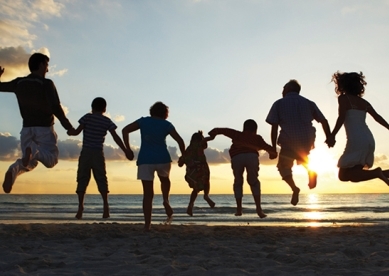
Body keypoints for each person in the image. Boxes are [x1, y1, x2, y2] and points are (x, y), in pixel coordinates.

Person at [0, 53, 75, 193]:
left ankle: (12, 170)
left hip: (27, 129)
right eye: (46, 65)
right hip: (44, 129)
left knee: (28, 162)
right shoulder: (46, 84)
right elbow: (55, 107)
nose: (47, 69)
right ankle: (33, 150)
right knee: (52, 160)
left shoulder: (19, 82)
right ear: (40, 65)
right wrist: (69, 127)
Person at [266, 79, 331, 206]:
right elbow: (324, 121)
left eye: (283, 89)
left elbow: (274, 127)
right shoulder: (308, 103)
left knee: (283, 167)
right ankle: (311, 171)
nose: (282, 92)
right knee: (303, 157)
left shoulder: (279, 104)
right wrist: (329, 137)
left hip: (288, 140)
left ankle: (294, 188)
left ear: (288, 89)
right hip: (306, 139)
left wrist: (273, 148)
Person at [122, 101, 185, 231]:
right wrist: (183, 156)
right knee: (165, 180)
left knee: (148, 194)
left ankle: (147, 224)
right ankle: (166, 200)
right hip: (162, 158)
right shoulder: (166, 124)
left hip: (145, 159)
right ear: (165, 114)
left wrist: (127, 149)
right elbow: (180, 140)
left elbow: (125, 130)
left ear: (152, 111)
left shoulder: (143, 121)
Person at [67, 97, 134, 219]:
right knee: (101, 178)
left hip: (86, 152)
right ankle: (105, 207)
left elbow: (77, 132)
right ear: (104, 109)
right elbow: (115, 137)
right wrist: (125, 150)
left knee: (82, 178)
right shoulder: (107, 121)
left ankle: (80, 207)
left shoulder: (87, 117)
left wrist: (70, 132)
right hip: (98, 152)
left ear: (92, 107)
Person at [326, 71, 389, 185]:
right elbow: (377, 117)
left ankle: (377, 173)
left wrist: (332, 135)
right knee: (351, 175)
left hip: (356, 140)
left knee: (343, 176)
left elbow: (341, 118)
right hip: (368, 139)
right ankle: (382, 173)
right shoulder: (364, 102)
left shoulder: (344, 98)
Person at [208, 119, 277, 218]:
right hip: (251, 157)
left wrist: (213, 133)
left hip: (237, 158)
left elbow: (224, 130)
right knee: (254, 182)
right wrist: (272, 154)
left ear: (244, 128)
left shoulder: (237, 134)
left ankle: (239, 209)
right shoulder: (257, 138)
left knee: (238, 182)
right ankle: (259, 209)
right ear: (255, 130)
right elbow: (269, 148)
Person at [178, 131, 215, 216]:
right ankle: (206, 196)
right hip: (202, 170)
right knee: (206, 183)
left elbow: (180, 163)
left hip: (192, 174)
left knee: (196, 189)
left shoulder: (188, 150)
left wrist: (184, 161)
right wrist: (212, 137)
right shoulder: (199, 144)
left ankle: (190, 205)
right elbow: (205, 140)